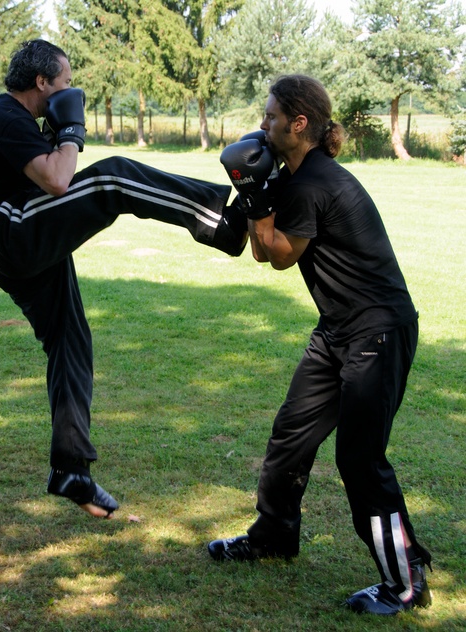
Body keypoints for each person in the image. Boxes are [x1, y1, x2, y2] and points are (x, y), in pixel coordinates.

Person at [0, 39, 247, 520]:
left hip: (24, 239)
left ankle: (71, 469)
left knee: (71, 343)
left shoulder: (20, 120)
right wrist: (71, 133)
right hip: (12, 232)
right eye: (66, 82)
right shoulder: (3, 116)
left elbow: (55, 185)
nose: (70, 89)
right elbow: (58, 181)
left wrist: (60, 134)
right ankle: (222, 221)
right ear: (42, 82)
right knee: (114, 178)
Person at [209, 74, 433, 616]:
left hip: (377, 332)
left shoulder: (315, 182)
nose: (262, 123)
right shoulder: (294, 177)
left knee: (360, 459)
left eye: (271, 116)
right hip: (336, 330)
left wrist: (259, 199)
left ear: (299, 123)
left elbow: (281, 257)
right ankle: (273, 536)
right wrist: (258, 197)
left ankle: (406, 583)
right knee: (290, 436)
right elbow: (263, 250)